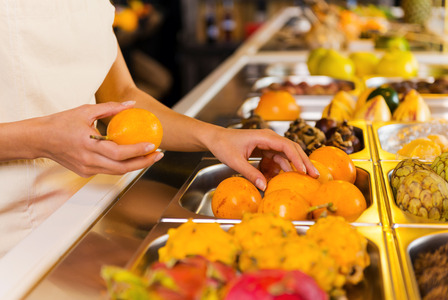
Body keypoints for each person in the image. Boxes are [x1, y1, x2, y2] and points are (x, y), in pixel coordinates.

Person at [0, 0, 318, 258]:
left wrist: (217, 136)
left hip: (94, 211)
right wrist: (41, 139)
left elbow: (122, 97)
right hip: (12, 238)